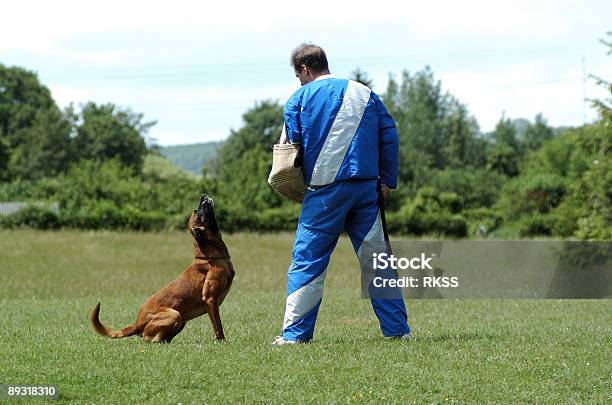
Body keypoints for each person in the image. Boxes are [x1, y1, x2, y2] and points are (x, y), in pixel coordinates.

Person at [273, 43, 411, 345]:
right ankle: (397, 331)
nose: (299, 81)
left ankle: (295, 336)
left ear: (305, 69)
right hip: (366, 188)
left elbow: (289, 150)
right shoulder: (365, 93)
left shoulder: (298, 99)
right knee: (378, 260)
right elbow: (389, 135)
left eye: (298, 75)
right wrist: (385, 180)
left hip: (324, 192)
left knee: (308, 260)